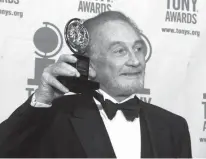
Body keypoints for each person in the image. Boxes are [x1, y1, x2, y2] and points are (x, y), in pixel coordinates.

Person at [0, 11, 192, 158]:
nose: (135, 61)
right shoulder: (55, 117)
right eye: (119, 51)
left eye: (138, 48)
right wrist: (41, 100)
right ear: (90, 63)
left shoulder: (174, 127)